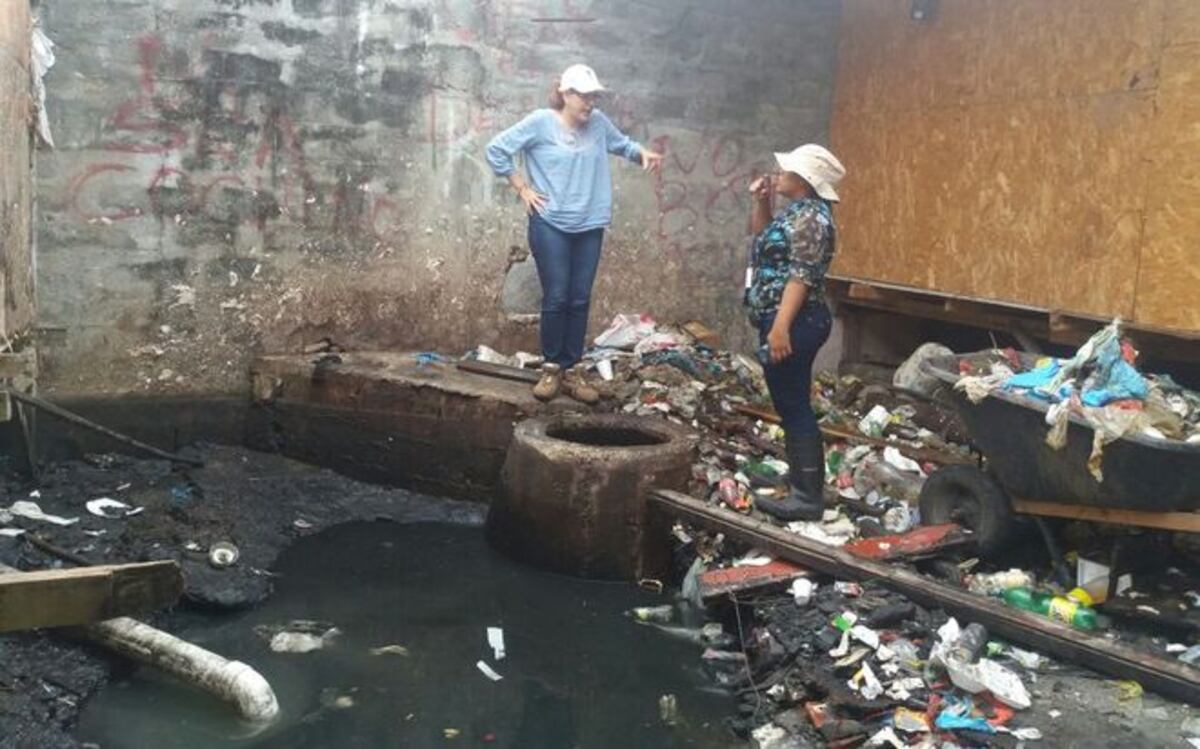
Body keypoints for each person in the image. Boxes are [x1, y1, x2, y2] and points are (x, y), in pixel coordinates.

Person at [486, 64, 662, 403]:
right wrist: (522, 188)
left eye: (593, 96)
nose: (590, 103)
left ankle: (573, 369)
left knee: (580, 298)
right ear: (565, 94)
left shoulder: (598, 125)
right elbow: (496, 149)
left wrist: (641, 153)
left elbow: (621, 144)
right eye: (583, 96)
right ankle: (552, 367)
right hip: (550, 222)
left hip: (590, 224)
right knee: (557, 297)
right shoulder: (540, 122)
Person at [744, 144, 846, 521]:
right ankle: (801, 478)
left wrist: (781, 328)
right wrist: (762, 203)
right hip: (784, 318)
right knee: (790, 400)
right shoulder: (797, 213)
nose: (778, 173)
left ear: (804, 180)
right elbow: (763, 240)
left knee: (793, 404)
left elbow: (801, 276)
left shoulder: (812, 220)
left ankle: (807, 498)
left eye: (785, 171)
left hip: (797, 320)